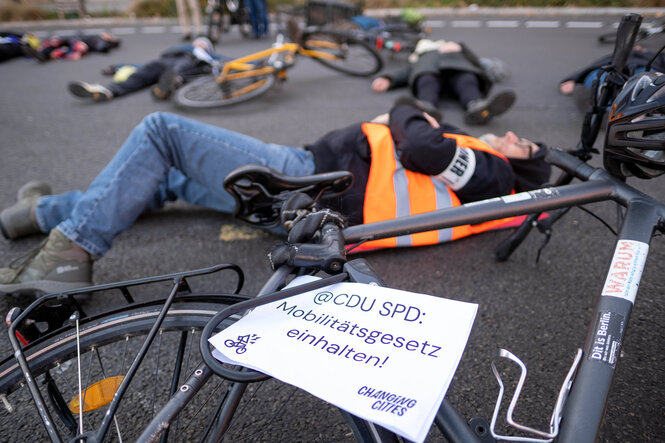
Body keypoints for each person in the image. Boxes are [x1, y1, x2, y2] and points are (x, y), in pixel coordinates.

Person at [0, 98, 550, 296]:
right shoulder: (487, 172)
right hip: (313, 196)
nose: (508, 136)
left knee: (161, 133)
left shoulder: (495, 173)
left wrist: (409, 113)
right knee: (166, 178)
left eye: (519, 142)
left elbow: (423, 147)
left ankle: (69, 252)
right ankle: (38, 213)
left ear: (520, 161)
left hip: (307, 178)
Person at [371, 38, 516, 126]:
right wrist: (389, 79)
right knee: (426, 80)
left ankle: (477, 107)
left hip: (458, 69)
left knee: (467, 79)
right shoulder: (421, 58)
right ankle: (427, 107)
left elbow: (476, 61)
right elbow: (406, 72)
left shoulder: (458, 50)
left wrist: (461, 48)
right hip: (430, 71)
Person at [67, 37, 222, 102]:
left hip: (186, 64)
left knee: (179, 69)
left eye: (204, 44)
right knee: (142, 73)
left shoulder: (206, 56)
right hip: (164, 62)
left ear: (208, 48)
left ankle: (168, 84)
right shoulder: (180, 49)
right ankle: (107, 90)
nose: (200, 45)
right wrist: (119, 67)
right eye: (199, 42)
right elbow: (142, 66)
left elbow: (228, 62)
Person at [559, 46, 665, 111]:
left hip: (643, 68)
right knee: (600, 79)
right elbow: (594, 66)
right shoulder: (615, 55)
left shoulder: (654, 55)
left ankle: (629, 112)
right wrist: (573, 78)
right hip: (612, 68)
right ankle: (605, 110)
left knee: (646, 83)